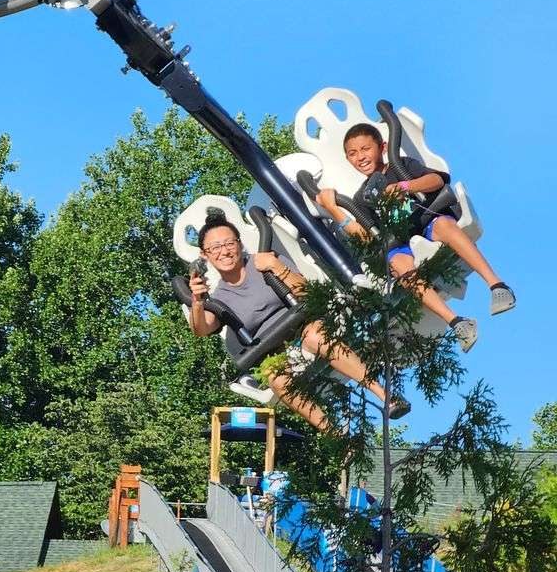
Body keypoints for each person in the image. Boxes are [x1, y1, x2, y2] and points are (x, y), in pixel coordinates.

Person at [187, 211, 410, 432]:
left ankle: (386, 396)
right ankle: (336, 435)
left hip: (303, 325)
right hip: (272, 349)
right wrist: (197, 301)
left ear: (239, 243)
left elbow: (305, 291)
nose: (224, 251)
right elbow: (202, 329)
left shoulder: (265, 259)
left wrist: (276, 267)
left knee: (316, 336)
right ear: (205, 255)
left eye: (229, 243)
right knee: (275, 377)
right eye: (215, 247)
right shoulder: (218, 298)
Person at [315, 123, 515, 352]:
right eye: (353, 153)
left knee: (443, 225)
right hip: (400, 241)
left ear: (381, 147)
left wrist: (405, 186)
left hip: (425, 221)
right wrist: (334, 209)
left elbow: (438, 180)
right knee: (398, 264)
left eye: (365, 149)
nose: (360, 157)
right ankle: (457, 322)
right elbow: (365, 236)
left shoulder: (401, 166)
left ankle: (497, 285)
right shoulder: (362, 197)